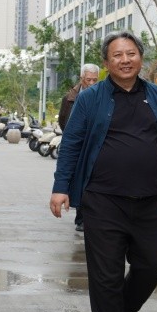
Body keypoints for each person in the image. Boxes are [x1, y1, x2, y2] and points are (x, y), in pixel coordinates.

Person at [49, 30, 157, 312]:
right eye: (117, 55)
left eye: (131, 54)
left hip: (151, 200)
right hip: (103, 200)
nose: (125, 60)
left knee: (151, 265)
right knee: (106, 273)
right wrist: (61, 186)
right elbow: (71, 145)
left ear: (140, 57)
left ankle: (125, 311)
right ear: (106, 62)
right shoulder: (90, 98)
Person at [57, 64, 101, 232]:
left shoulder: (102, 96)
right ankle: (81, 218)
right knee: (80, 181)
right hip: (77, 147)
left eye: (95, 80)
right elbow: (63, 120)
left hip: (95, 146)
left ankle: (93, 216)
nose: (91, 83)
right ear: (82, 78)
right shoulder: (69, 98)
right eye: (88, 79)